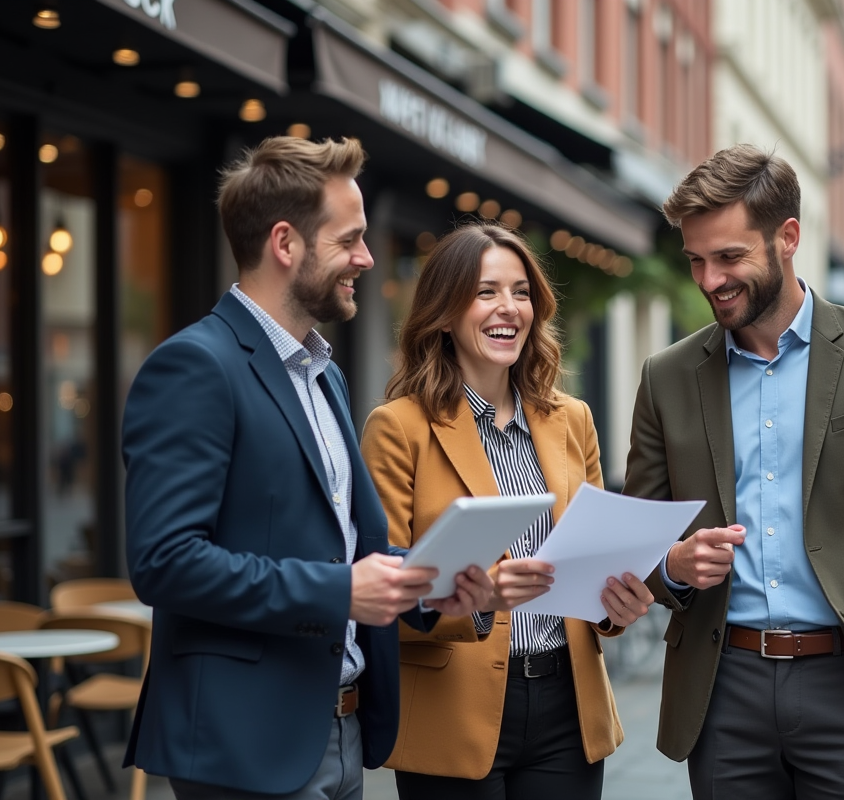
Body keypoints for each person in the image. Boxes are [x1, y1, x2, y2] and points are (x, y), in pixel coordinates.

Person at [121, 137, 492, 800]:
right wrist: (339, 592)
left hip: (341, 731)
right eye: (349, 240)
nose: (367, 258)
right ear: (285, 243)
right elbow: (165, 563)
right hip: (244, 744)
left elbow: (342, 547)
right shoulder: (195, 366)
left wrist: (429, 584)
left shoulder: (324, 376)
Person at [621, 144, 844, 799]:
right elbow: (638, 543)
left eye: (729, 257)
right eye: (696, 260)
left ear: (787, 237)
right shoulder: (666, 378)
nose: (709, 279)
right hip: (723, 694)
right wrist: (673, 565)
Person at [360, 222, 655, 800]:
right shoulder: (398, 428)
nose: (509, 308)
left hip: (568, 708)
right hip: (451, 714)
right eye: (485, 291)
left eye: (521, 292)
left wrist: (616, 605)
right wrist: (479, 599)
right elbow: (379, 599)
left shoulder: (572, 419)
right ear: (444, 313)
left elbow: (595, 562)